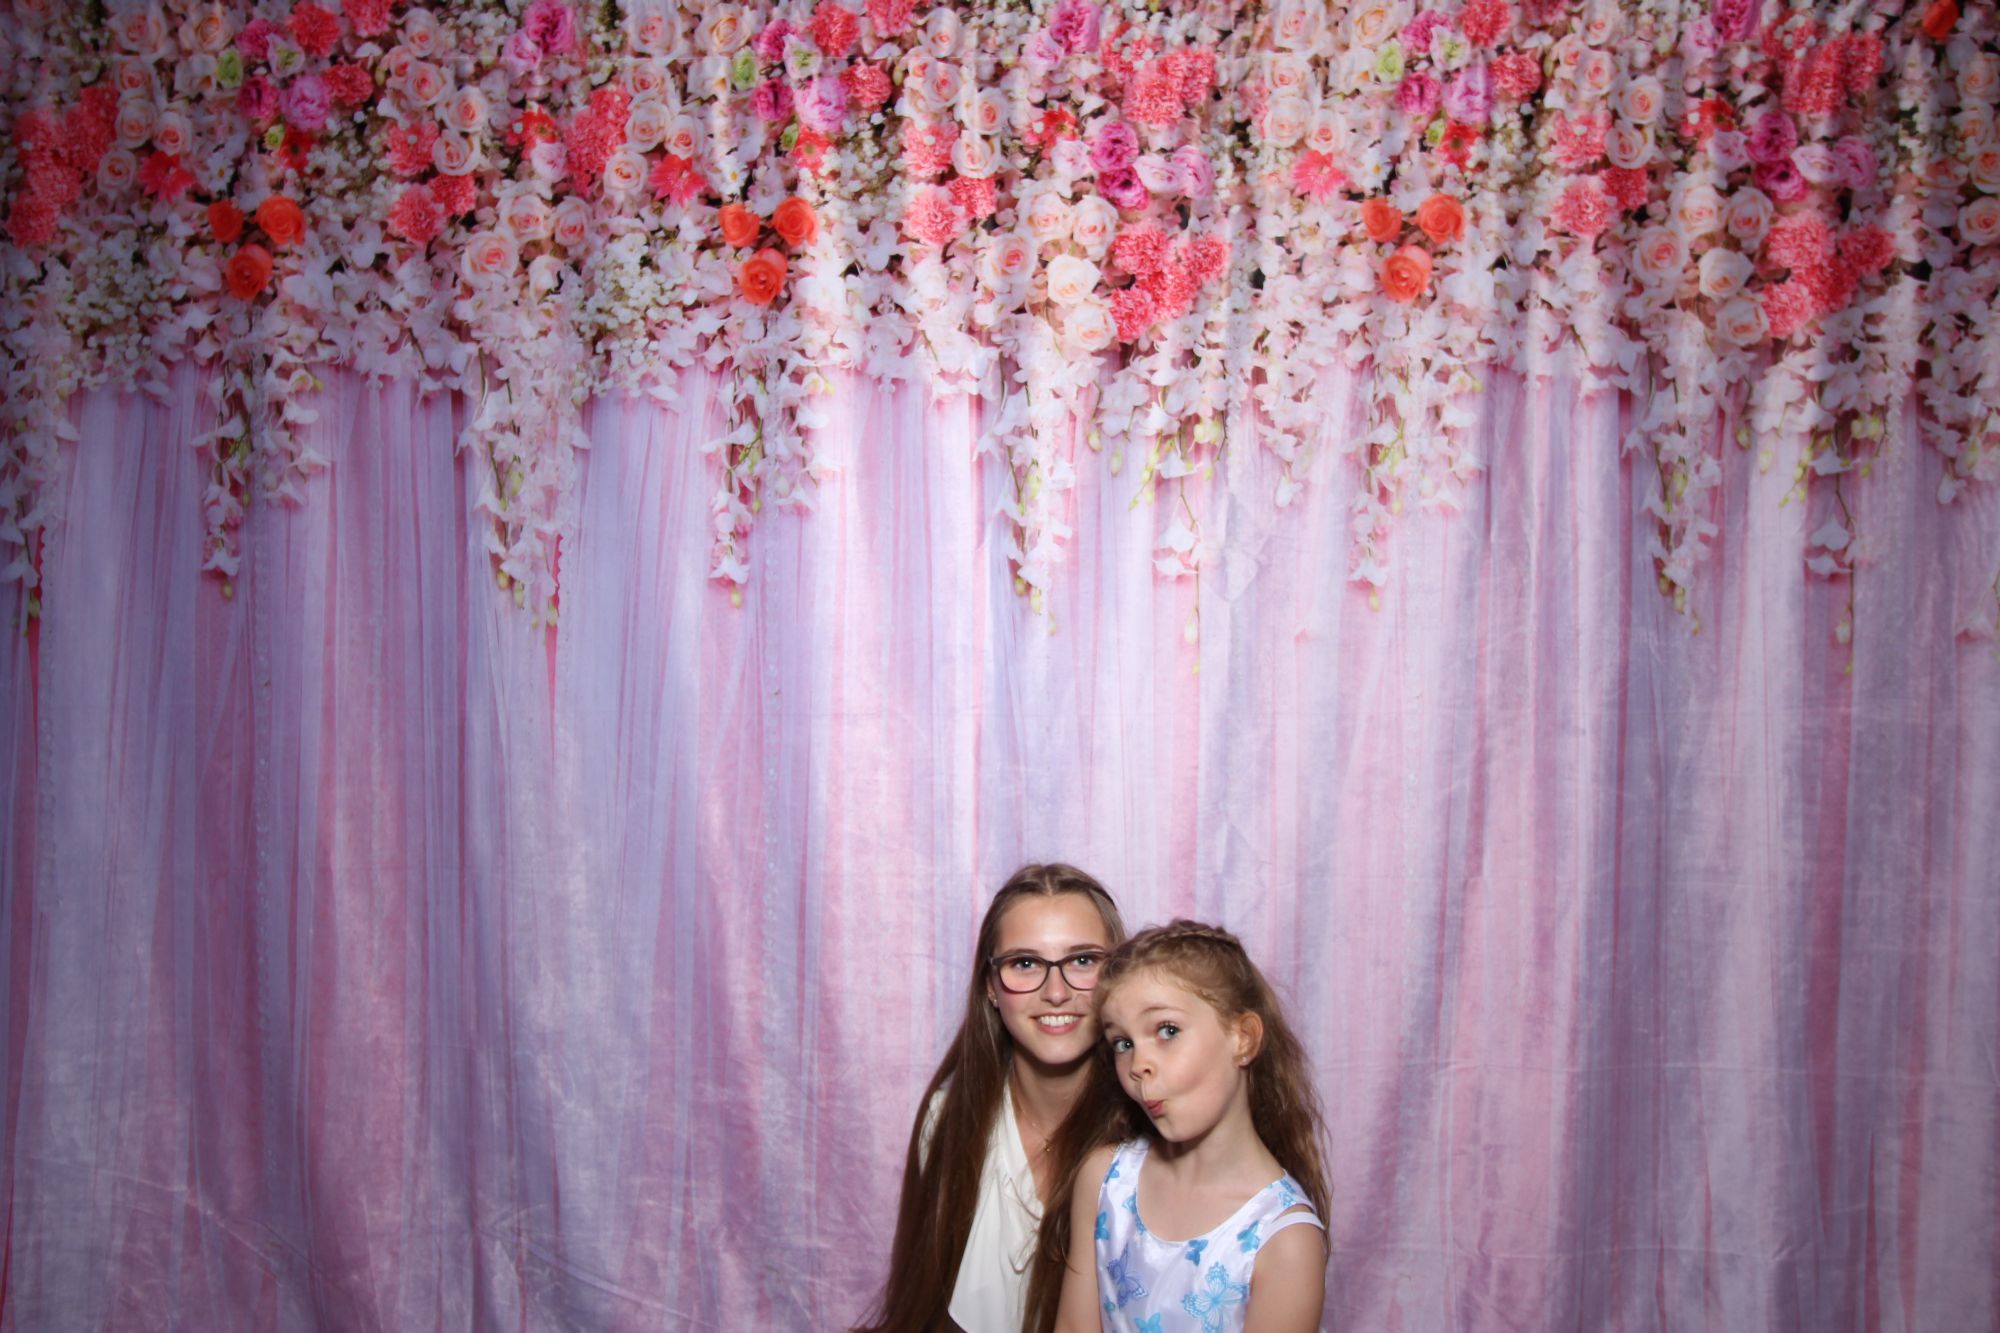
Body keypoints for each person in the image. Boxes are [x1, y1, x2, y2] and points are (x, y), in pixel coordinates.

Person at [856, 864, 1126, 1333]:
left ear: (1119, 974)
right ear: (991, 987)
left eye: (1083, 960)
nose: (1056, 992)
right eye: (1025, 963)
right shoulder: (946, 1121)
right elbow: (925, 1306)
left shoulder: (1153, 1141)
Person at [1031, 921, 1331, 1333]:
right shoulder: (1104, 1180)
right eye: (1123, 1043)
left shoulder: (1285, 1242)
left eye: (1167, 1030)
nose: (1138, 1065)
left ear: (1243, 1038)